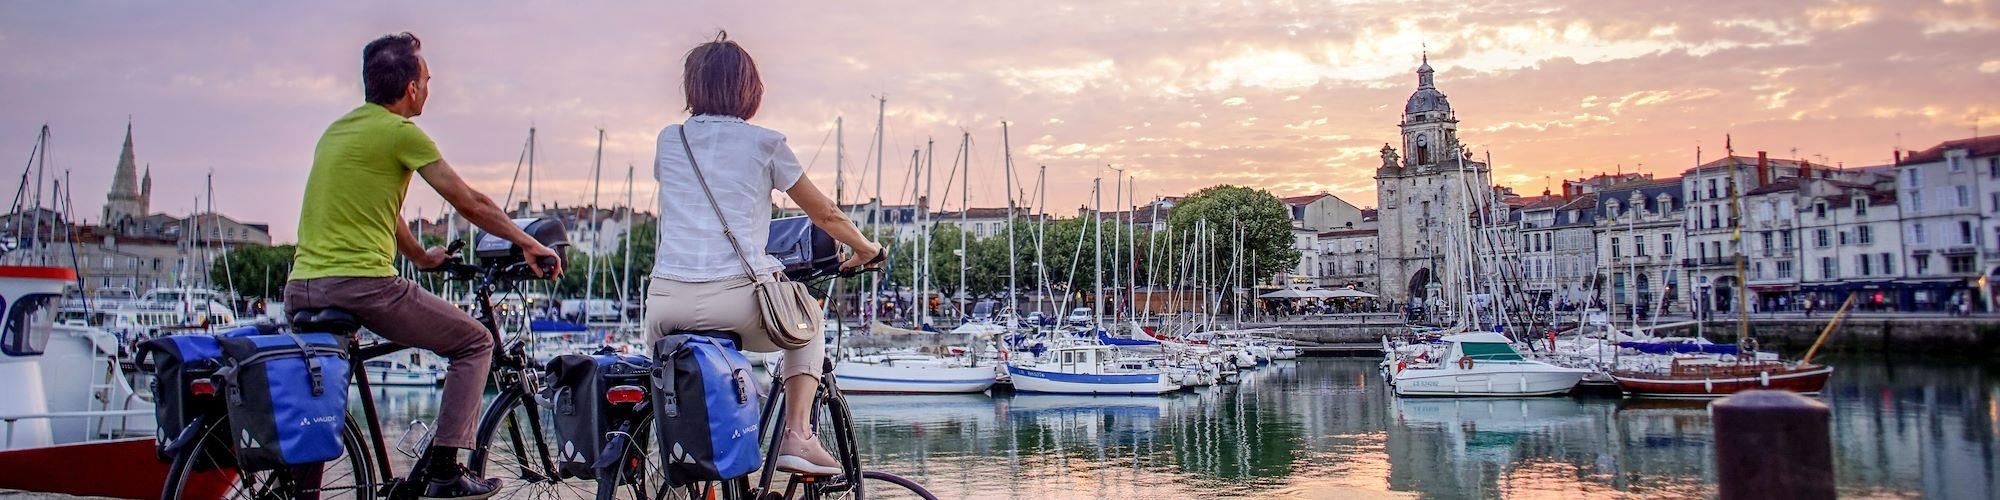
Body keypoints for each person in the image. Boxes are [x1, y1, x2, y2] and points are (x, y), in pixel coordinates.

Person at [287, 32, 563, 499]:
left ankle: (303, 491)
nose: (430, 87)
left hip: (302, 287)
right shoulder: (400, 133)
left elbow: (379, 208)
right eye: (428, 79)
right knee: (475, 342)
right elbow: (468, 201)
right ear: (411, 89)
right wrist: (527, 243)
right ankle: (445, 470)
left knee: (322, 392)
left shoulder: (337, 131)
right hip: (362, 284)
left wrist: (420, 256)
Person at [642, 32, 881, 477]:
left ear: (692, 88)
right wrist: (867, 249)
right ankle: (797, 436)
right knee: (807, 319)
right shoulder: (765, 143)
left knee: (672, 390)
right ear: (749, 90)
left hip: (665, 304)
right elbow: (826, 214)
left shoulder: (668, 140)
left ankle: (668, 471)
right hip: (734, 299)